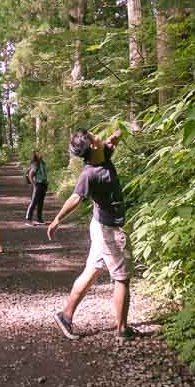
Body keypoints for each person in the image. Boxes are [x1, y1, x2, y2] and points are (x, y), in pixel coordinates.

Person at [47, 127, 138, 340]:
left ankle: (65, 316)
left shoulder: (101, 153)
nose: (97, 135)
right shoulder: (89, 174)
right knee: (122, 278)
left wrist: (117, 136)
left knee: (92, 270)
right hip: (109, 230)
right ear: (92, 145)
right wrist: (57, 219)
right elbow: (75, 198)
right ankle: (122, 330)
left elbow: (110, 145)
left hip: (100, 226)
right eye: (93, 135)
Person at [24, 150, 48, 225]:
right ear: (35, 155)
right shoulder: (35, 164)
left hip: (43, 184)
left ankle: (39, 219)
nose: (40, 154)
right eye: (38, 153)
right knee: (34, 202)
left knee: (41, 202)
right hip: (37, 185)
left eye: (40, 152)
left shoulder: (42, 163)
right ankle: (28, 219)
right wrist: (34, 185)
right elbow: (31, 175)